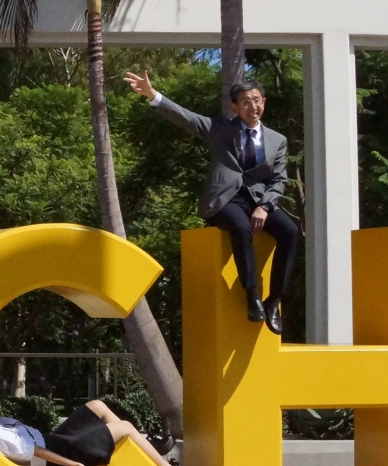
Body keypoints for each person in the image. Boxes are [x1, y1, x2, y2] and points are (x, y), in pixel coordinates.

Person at [125, 71, 301, 335]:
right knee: (240, 228)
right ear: (235, 107)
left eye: (256, 101)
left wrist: (265, 206)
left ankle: (274, 300)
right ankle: (252, 294)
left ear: (263, 102)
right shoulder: (221, 129)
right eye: (245, 102)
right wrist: (153, 95)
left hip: (258, 200)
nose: (252, 107)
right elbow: (188, 119)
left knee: (289, 232)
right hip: (225, 199)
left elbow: (278, 179)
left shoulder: (278, 140)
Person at [0, 386, 187, 466]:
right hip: (59, 454)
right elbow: (37, 452)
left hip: (56, 441)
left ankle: (145, 449)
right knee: (124, 427)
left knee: (96, 406)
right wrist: (74, 464)